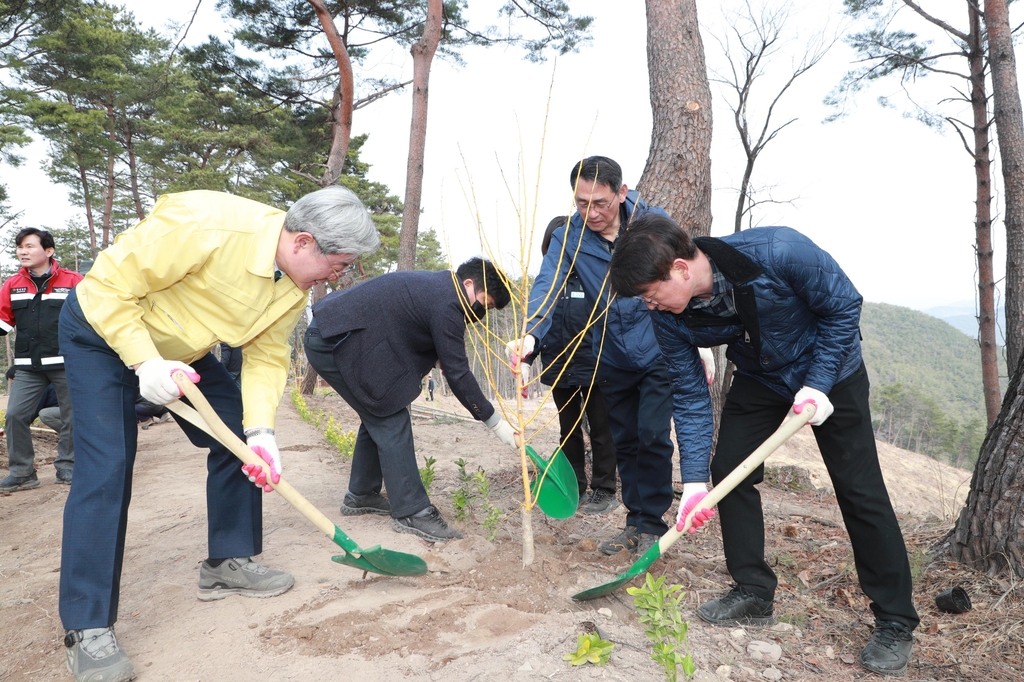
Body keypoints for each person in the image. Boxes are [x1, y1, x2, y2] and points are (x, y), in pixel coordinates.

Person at [57, 186, 380, 682]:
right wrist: (143, 361)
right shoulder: (205, 223)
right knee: (107, 469)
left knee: (236, 443)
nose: (339, 276)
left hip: (182, 349)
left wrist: (261, 430)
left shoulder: (291, 285)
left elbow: (268, 356)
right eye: (338, 263)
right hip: (102, 333)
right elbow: (106, 289)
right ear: (303, 242)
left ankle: (228, 560)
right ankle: (87, 625)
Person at [607, 214, 920, 677]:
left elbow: (843, 306)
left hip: (831, 369)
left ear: (679, 269)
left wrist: (817, 385)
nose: (649, 306)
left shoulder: (777, 250)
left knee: (859, 490)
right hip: (760, 377)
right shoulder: (671, 317)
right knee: (728, 469)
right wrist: (692, 482)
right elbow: (691, 395)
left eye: (651, 295)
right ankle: (753, 591)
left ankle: (895, 620)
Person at [508, 157, 712, 555]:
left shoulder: (653, 223)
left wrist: (699, 342)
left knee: (653, 436)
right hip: (611, 352)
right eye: (582, 203)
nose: (592, 212)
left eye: (600, 202)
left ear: (621, 193)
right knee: (627, 441)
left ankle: (652, 524)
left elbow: (684, 278)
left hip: (659, 346)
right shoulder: (570, 236)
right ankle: (634, 522)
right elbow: (547, 287)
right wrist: (530, 336)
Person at [304, 257, 518, 543]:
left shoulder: (441, 289)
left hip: (336, 333)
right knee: (391, 419)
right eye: (484, 302)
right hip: (333, 340)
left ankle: (362, 494)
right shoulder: (448, 301)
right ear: (468, 284)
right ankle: (412, 512)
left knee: (381, 408)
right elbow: (458, 373)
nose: (482, 311)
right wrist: (494, 421)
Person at [524, 215, 620, 515]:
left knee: (603, 430)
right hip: (560, 365)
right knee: (569, 430)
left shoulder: (597, 278)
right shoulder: (547, 284)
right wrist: (526, 360)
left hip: (596, 366)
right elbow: (536, 322)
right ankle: (575, 485)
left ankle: (604, 490)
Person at [0, 227, 82, 491]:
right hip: (27, 366)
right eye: (20, 247)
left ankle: (67, 467)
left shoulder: (74, 282)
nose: (23, 251)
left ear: (48, 251)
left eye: (29, 246)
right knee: (14, 415)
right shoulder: (12, 284)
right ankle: (23, 473)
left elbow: (89, 319)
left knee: (72, 415)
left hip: (66, 362)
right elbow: (3, 322)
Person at [5, 365, 63, 433]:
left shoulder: (39, 385)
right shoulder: (44, 380)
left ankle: (71, 435)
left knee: (45, 414)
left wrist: (18, 424)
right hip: (64, 410)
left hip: (69, 411)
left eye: (14, 383)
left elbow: (34, 408)